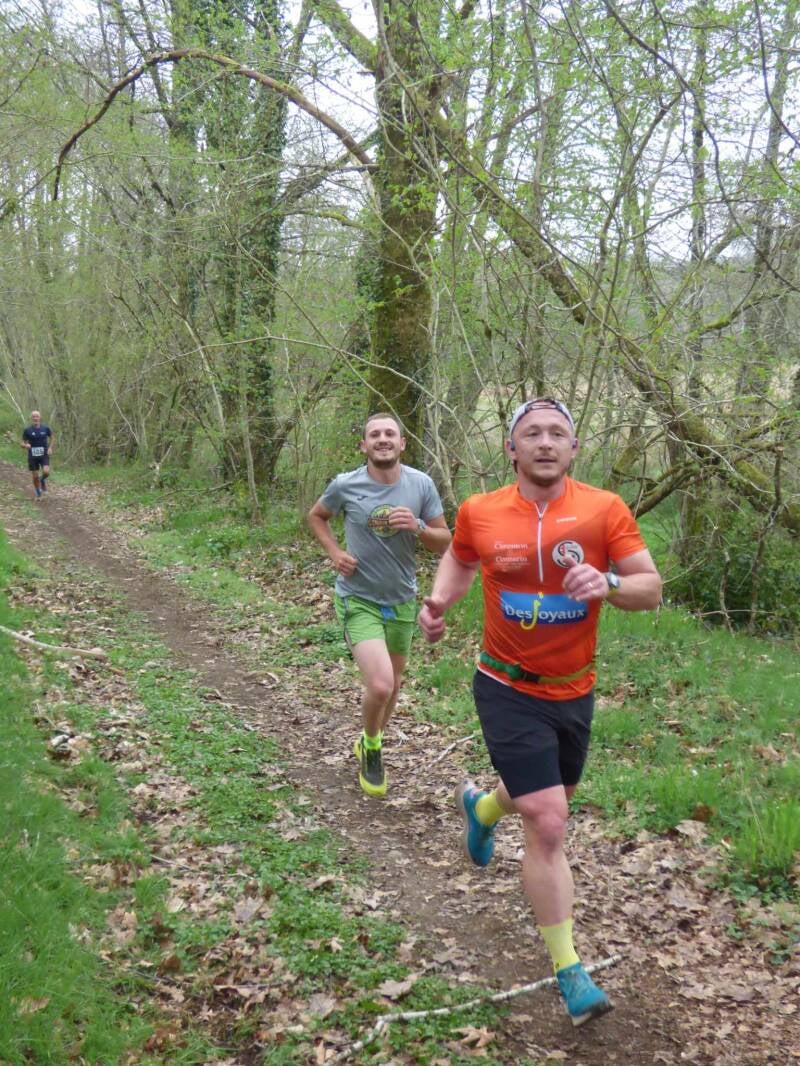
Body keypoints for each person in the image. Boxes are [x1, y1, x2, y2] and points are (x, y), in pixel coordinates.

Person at [418, 397, 662, 1027]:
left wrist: (609, 583)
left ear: (574, 448)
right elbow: (461, 558)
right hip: (505, 685)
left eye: (558, 433)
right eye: (532, 434)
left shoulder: (605, 509)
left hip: (574, 689)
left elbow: (650, 587)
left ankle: (483, 808)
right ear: (512, 449)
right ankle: (569, 969)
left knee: (548, 796)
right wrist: (439, 603)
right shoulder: (480, 511)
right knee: (549, 821)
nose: (546, 442)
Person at [309, 413, 451, 797]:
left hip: (402, 599)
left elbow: (445, 541)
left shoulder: (420, 484)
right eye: (375, 434)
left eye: (390, 433)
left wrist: (419, 527)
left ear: (402, 443)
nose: (383, 439)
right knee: (381, 684)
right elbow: (317, 516)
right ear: (364, 445)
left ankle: (370, 737)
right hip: (359, 598)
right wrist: (335, 552)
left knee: (395, 683)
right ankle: (372, 747)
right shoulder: (346, 484)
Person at [21, 410, 53, 501]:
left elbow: (52, 438)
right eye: (34, 416)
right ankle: (38, 494)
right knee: (35, 476)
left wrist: (50, 448)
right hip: (32, 456)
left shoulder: (45, 428)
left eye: (37, 416)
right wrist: (25, 445)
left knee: (46, 472)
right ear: (31, 418)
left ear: (40, 418)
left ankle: (42, 480)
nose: (35, 418)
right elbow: (22, 443)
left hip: (44, 455)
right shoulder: (27, 430)